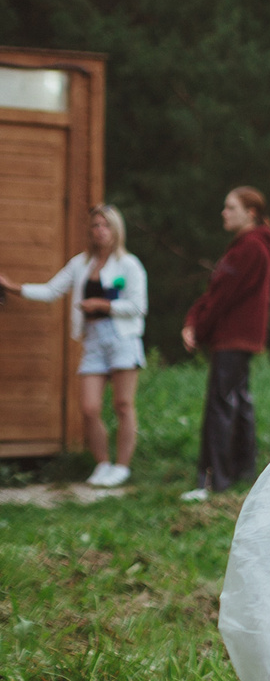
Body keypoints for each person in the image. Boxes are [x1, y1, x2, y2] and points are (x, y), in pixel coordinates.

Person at [3, 203, 148, 487]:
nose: (100, 231)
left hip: (122, 339)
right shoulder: (80, 264)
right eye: (95, 226)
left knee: (123, 404)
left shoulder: (129, 264)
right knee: (89, 407)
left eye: (106, 225)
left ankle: (123, 466)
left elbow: (138, 306)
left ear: (116, 230)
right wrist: (14, 287)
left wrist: (103, 305)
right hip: (93, 340)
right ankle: (102, 463)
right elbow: (51, 290)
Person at [179, 186, 270, 500]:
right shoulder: (249, 246)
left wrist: (197, 326)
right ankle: (240, 471)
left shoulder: (249, 248)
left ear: (251, 213)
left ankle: (212, 479)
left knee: (220, 405)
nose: (224, 212)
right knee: (238, 402)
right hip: (240, 338)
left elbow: (221, 296)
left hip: (233, 338)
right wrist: (196, 319)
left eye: (230, 207)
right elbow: (218, 292)